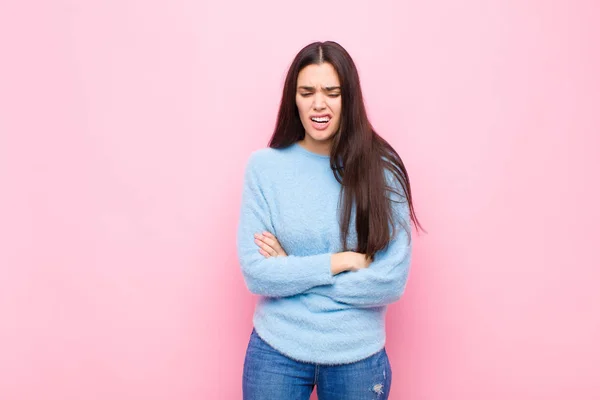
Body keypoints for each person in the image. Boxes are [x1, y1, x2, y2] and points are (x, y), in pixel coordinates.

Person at [236, 40, 423, 400]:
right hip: (277, 351)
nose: (318, 103)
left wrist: (291, 270)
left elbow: (390, 281)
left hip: (357, 357)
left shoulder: (382, 172)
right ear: (294, 98)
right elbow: (256, 273)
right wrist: (340, 262)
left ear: (348, 98)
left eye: (331, 92)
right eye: (307, 92)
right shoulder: (265, 168)